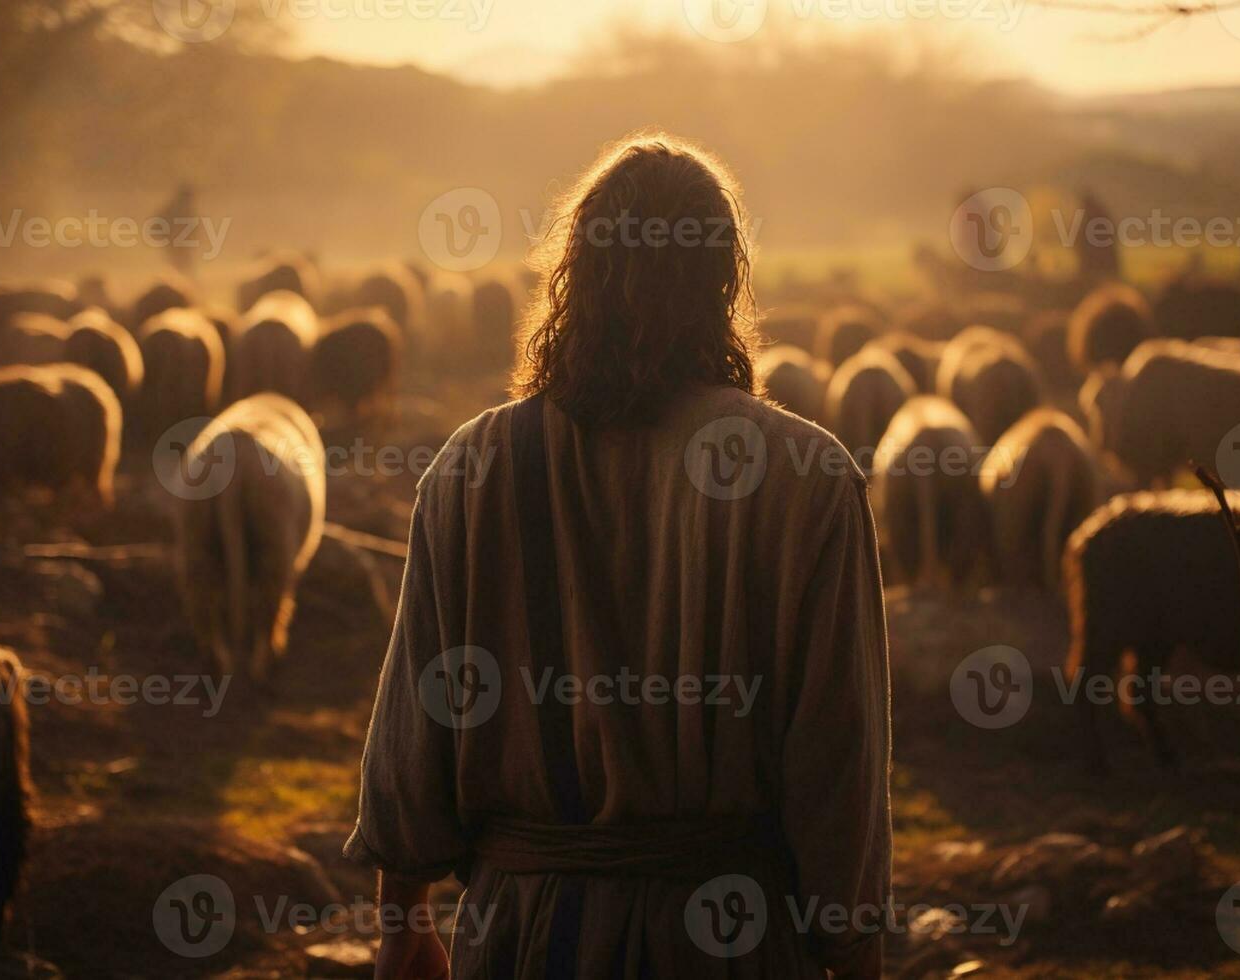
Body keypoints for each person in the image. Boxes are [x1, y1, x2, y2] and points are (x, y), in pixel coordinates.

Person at [344, 133, 893, 979]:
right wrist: (851, 948)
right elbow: (837, 750)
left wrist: (401, 916)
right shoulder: (807, 477)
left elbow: (424, 701)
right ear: (721, 279)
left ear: (574, 273)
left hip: (527, 939)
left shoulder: (473, 466)